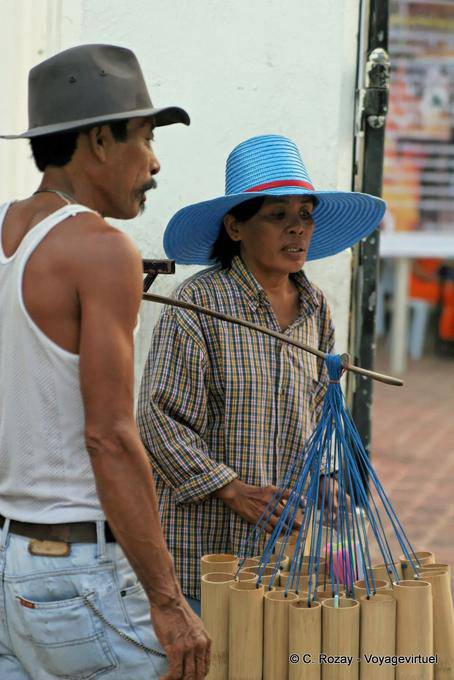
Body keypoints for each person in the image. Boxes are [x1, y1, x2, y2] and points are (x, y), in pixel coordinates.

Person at [0, 44, 210, 680]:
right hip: (78, 568)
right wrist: (169, 604)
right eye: (144, 137)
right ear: (97, 141)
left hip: (12, 556)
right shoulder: (101, 248)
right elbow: (111, 438)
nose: (153, 162)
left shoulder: (9, 231)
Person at [137, 134, 386, 612]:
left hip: (283, 554)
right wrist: (229, 488)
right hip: (202, 553)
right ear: (235, 227)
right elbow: (158, 419)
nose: (298, 230)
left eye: (305, 215)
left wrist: (325, 478)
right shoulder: (199, 304)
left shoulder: (317, 311)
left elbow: (315, 415)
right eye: (278, 216)